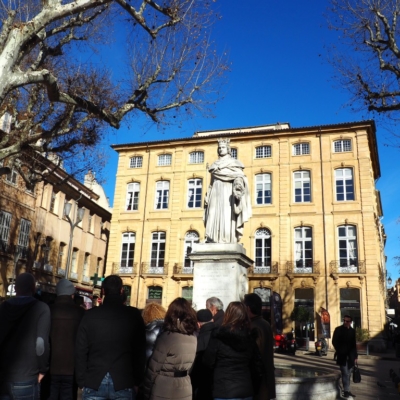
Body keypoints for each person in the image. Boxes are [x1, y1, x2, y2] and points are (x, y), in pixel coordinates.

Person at [75, 275, 146, 400]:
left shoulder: (90, 315)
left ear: (103, 291)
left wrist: (81, 380)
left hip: (94, 379)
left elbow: (80, 350)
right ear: (121, 290)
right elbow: (140, 351)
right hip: (123, 380)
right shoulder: (133, 315)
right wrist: (137, 381)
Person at [0, 273, 51, 400]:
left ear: (16, 288)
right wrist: (43, 369)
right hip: (26, 377)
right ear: (33, 288)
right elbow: (40, 344)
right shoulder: (41, 308)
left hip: (3, 376)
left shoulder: (3, 308)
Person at [203, 301, 263, 400]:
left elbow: (208, 362)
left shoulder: (219, 336)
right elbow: (257, 365)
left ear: (228, 315)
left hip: (223, 390)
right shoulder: (249, 337)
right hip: (245, 389)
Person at [143, 298, 197, 400]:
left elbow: (153, 368)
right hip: (185, 386)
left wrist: (146, 392)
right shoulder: (193, 338)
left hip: (164, 387)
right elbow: (190, 367)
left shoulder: (167, 337)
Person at [204, 138, 252, 244]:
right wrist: (208, 194)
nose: (221, 149)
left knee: (226, 215)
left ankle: (226, 238)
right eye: (219, 148)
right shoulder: (214, 165)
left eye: (223, 147)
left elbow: (239, 176)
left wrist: (238, 188)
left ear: (228, 149)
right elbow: (212, 182)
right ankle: (212, 238)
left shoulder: (234, 163)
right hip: (215, 192)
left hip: (228, 192)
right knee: (212, 214)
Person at [48, 279, 85, 400]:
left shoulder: (48, 310)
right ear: (72, 294)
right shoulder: (80, 313)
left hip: (50, 367)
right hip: (72, 367)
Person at [244, 293, 276, 400]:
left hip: (258, 383)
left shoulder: (254, 327)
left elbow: (254, 354)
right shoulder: (265, 324)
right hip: (266, 379)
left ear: (248, 308)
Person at [190, 309, 216, 400]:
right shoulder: (221, 334)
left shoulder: (198, 340)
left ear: (198, 324)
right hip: (218, 384)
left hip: (201, 384)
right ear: (212, 320)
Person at [332, 315, 358, 399]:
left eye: (347, 321)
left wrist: (355, 356)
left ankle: (347, 390)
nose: (346, 322)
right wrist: (339, 350)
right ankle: (346, 391)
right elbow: (334, 341)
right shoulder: (338, 330)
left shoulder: (352, 331)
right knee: (345, 373)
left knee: (349, 373)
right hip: (342, 355)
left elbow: (354, 344)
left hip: (351, 356)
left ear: (350, 322)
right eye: (344, 321)